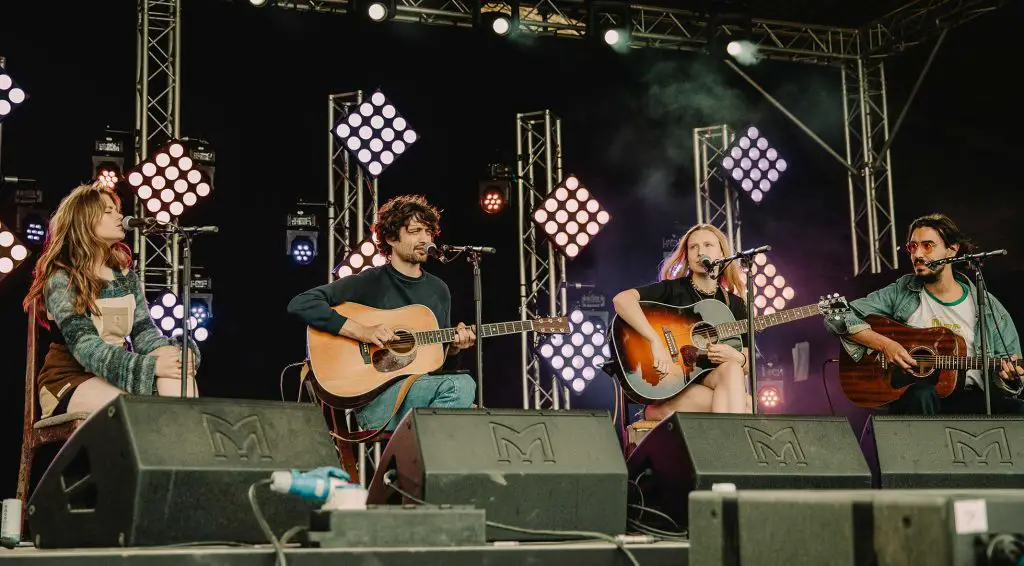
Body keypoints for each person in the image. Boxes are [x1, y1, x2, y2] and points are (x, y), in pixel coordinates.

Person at [287, 194, 476, 432]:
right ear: (391, 238)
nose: (425, 238)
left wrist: (455, 348)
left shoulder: (438, 290)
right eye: (415, 231)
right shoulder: (371, 282)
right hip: (376, 400)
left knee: (467, 404)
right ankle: (418, 466)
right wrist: (362, 331)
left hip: (421, 390)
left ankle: (410, 467)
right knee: (461, 388)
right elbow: (301, 303)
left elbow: (438, 367)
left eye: (428, 232)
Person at [22, 182, 199, 420]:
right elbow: (86, 348)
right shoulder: (61, 278)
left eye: (117, 210)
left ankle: (180, 455)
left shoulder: (125, 275)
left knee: (179, 381)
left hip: (120, 373)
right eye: (108, 211)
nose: (120, 216)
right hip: (71, 379)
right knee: (133, 411)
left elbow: (144, 333)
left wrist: (174, 356)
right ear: (84, 221)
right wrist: (150, 367)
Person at [826, 213, 1023, 414]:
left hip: (975, 402)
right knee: (922, 393)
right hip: (919, 400)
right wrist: (886, 345)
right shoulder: (901, 292)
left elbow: (1012, 373)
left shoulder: (989, 308)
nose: (917, 254)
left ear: (952, 249)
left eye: (927, 246)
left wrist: (1009, 377)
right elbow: (835, 314)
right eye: (912, 247)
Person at [612, 224, 752, 421]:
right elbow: (622, 300)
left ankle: (662, 413)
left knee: (732, 369)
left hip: (708, 380)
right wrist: (655, 341)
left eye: (707, 245)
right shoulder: (673, 290)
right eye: (693, 247)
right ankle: (663, 409)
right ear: (687, 255)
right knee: (746, 405)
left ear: (722, 252)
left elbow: (746, 363)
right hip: (675, 382)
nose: (700, 251)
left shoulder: (734, 304)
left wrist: (737, 357)